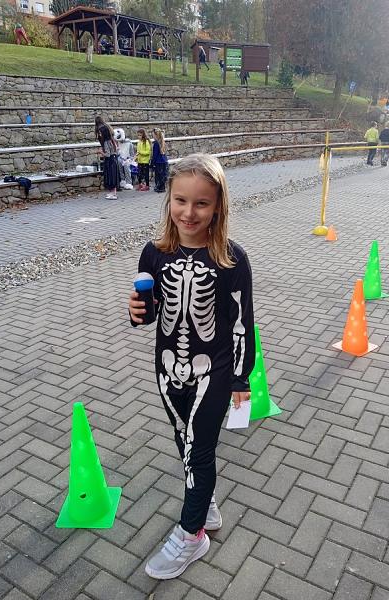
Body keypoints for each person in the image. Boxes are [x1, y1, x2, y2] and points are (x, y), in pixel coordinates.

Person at [128, 153, 255, 580]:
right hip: (166, 366)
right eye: (180, 201)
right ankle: (207, 504)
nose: (189, 212)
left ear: (218, 206)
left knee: (199, 449)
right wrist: (136, 312)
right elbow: (148, 314)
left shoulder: (232, 259)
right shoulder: (154, 253)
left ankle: (191, 534)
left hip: (213, 369)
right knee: (183, 441)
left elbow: (242, 322)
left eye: (201, 203)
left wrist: (241, 378)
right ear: (169, 201)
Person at [95, 116, 120, 199]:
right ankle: (113, 192)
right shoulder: (112, 140)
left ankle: (113, 194)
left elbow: (108, 154)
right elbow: (116, 150)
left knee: (111, 177)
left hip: (110, 161)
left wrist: (100, 152)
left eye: (100, 133)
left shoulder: (106, 142)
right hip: (114, 159)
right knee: (113, 177)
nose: (99, 134)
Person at [151, 128, 168, 193]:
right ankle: (162, 187)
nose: (153, 136)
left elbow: (155, 154)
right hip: (164, 161)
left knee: (158, 175)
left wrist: (153, 163)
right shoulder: (162, 142)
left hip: (158, 162)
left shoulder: (156, 143)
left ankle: (159, 187)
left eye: (153, 135)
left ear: (156, 135)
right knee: (163, 175)